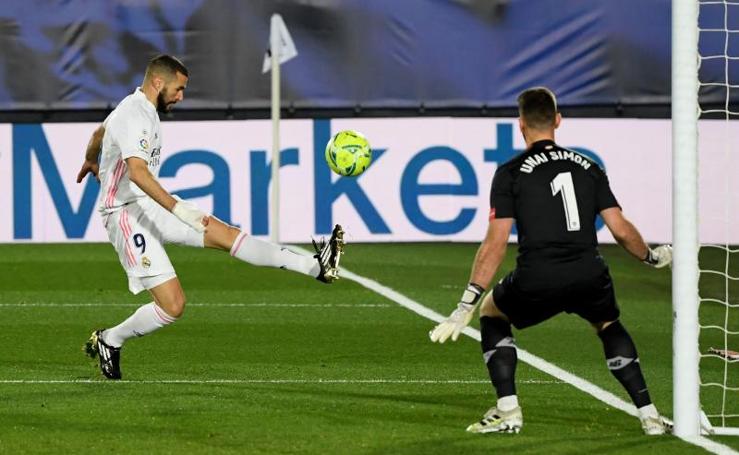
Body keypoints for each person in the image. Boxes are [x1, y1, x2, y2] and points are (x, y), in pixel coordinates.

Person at [76, 54, 344, 380]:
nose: (180, 97)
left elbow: (99, 134)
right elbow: (138, 174)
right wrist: (180, 209)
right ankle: (110, 339)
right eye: (178, 89)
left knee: (227, 234)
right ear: (158, 82)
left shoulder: (136, 109)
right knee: (173, 306)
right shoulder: (135, 114)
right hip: (125, 215)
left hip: (149, 205)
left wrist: (92, 160)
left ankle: (316, 267)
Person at [429, 87, 673, 435]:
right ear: (557, 120)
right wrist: (652, 257)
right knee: (608, 323)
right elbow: (619, 228)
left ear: (521, 124)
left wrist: (465, 302)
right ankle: (649, 415)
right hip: (589, 272)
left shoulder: (510, 172)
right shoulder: (589, 166)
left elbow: (496, 242)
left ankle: (508, 410)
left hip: (538, 276)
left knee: (490, 312)